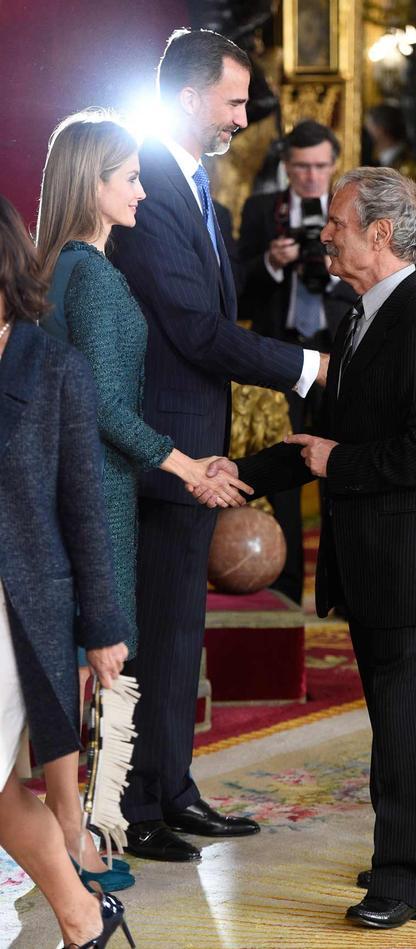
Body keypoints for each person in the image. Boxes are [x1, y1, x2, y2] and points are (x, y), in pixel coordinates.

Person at [204, 167, 416, 929]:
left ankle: (401, 882)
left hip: (415, 570)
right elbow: (318, 441)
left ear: (382, 235)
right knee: (408, 721)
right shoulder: (359, 316)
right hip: (381, 565)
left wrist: (340, 463)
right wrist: (239, 475)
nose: (325, 233)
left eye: (339, 223)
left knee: (402, 730)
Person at [110, 27, 328, 862]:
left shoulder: (198, 186)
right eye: (235, 101)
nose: (243, 117)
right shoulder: (150, 183)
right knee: (158, 632)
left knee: (180, 633)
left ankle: (173, 789)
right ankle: (139, 805)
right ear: (193, 95)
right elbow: (197, 331)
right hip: (161, 451)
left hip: (196, 442)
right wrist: (305, 367)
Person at [35, 111, 252, 889]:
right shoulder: (87, 274)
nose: (140, 189)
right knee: (106, 662)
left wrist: (180, 463)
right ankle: (85, 836)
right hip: (98, 489)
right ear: (90, 185)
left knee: (98, 664)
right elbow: (97, 407)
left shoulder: (71, 266)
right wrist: (187, 465)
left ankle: (85, 829)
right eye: (128, 177)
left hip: (104, 480)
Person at [0, 196, 133, 948]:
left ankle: (83, 914)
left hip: (20, 609)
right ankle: (85, 918)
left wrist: (103, 626)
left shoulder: (56, 367)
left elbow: (86, 508)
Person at [239, 119, 357, 602]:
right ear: (287, 166)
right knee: (283, 467)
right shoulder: (262, 210)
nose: (311, 177)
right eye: (302, 167)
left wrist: (333, 267)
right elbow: (237, 290)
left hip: (339, 358)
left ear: (334, 165)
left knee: (345, 467)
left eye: (320, 167)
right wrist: (270, 261)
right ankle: (284, 588)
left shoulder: (355, 210)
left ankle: (347, 588)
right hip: (281, 359)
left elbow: (375, 282)